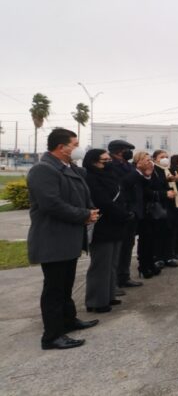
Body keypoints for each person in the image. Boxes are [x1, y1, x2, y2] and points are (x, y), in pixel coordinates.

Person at [27, 128, 99, 350]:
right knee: (54, 289)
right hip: (53, 238)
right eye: (74, 144)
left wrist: (89, 210)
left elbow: (80, 193)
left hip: (68, 237)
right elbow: (51, 204)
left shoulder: (68, 167)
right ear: (61, 147)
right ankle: (52, 335)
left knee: (66, 284)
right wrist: (84, 215)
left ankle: (68, 320)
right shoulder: (43, 170)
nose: (78, 148)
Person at [83, 149, 134, 313]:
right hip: (102, 225)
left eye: (108, 160)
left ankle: (109, 295)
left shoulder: (111, 176)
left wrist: (125, 213)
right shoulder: (90, 178)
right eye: (104, 161)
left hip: (116, 224)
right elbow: (102, 201)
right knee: (101, 265)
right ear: (93, 162)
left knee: (112, 263)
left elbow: (120, 196)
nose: (108, 163)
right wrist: (122, 214)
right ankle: (96, 301)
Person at [108, 139, 143, 289]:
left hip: (131, 210)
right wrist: (138, 172)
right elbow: (122, 183)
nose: (129, 153)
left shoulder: (128, 165)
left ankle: (124, 276)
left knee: (128, 245)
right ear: (118, 151)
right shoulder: (110, 165)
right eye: (126, 150)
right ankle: (114, 281)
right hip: (120, 210)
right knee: (118, 248)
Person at [126, 151, 160, 278]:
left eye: (150, 160)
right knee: (144, 240)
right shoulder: (134, 174)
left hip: (149, 210)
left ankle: (150, 263)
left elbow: (154, 187)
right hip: (140, 211)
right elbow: (143, 191)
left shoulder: (149, 173)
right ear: (138, 162)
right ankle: (144, 267)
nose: (149, 162)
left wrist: (149, 175)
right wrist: (146, 176)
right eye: (147, 160)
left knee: (151, 239)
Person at [151, 150, 178, 269]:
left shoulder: (169, 170)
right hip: (160, 205)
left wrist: (177, 180)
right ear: (155, 159)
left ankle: (169, 256)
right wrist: (167, 185)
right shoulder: (153, 170)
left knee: (170, 231)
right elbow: (154, 186)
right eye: (162, 157)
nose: (165, 159)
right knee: (159, 232)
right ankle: (158, 257)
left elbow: (174, 185)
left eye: (167, 157)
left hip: (171, 204)